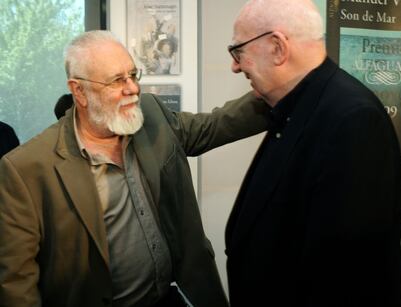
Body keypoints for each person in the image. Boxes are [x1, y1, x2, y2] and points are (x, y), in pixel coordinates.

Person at [0, 30, 268, 307]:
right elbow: (17, 282)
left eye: (133, 75)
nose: (133, 88)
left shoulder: (151, 113)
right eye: (117, 80)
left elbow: (215, 125)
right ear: (79, 91)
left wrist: (281, 87)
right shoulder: (26, 168)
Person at [224, 1, 401, 306]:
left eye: (238, 50)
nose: (235, 66)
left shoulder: (352, 120)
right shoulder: (302, 106)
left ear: (278, 47)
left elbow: (346, 279)